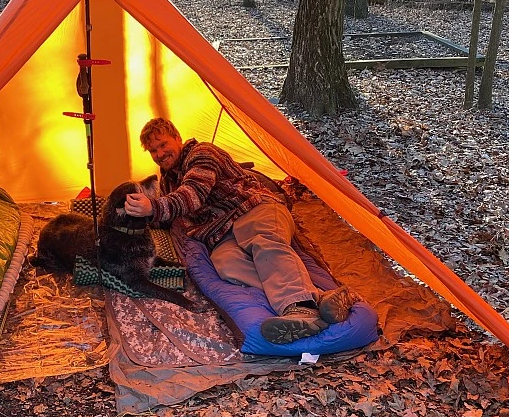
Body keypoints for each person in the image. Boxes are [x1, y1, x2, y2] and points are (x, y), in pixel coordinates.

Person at [123, 116, 347, 344]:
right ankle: (320, 299)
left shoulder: (202, 153)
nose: (160, 154)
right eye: (153, 151)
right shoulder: (169, 179)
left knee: (264, 244)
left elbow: (193, 194)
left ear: (178, 138)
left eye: (163, 145)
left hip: (252, 208)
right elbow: (169, 214)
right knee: (227, 266)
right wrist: (134, 219)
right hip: (221, 233)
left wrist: (153, 207)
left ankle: (301, 307)